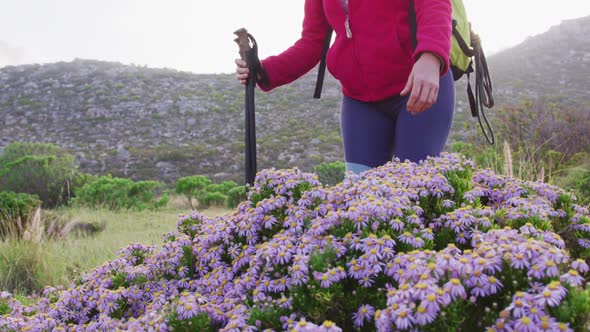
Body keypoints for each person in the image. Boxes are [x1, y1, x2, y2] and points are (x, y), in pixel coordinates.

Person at [235, 0, 454, 175]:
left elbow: (434, 5)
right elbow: (312, 42)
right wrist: (264, 71)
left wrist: (431, 56)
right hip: (359, 100)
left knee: (413, 192)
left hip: (417, 86)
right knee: (361, 201)